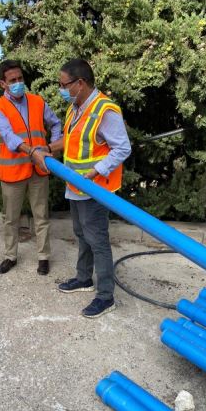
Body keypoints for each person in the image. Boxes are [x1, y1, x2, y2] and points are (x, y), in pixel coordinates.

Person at [49, 59, 132, 318]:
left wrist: (97, 170)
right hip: (75, 185)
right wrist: (49, 149)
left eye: (64, 85)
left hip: (94, 188)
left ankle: (105, 296)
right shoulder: (76, 107)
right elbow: (71, 139)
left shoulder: (105, 110)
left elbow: (123, 148)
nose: (62, 89)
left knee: (97, 240)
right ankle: (84, 278)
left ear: (80, 83)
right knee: (80, 233)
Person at [0, 60, 62, 275]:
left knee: (41, 216)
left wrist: (52, 149)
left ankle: (43, 257)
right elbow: (9, 137)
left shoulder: (38, 101)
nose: (18, 83)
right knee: (11, 219)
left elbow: (55, 123)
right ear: (3, 83)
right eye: (13, 80)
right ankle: (10, 256)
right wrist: (33, 152)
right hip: (13, 172)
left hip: (39, 170)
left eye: (20, 78)